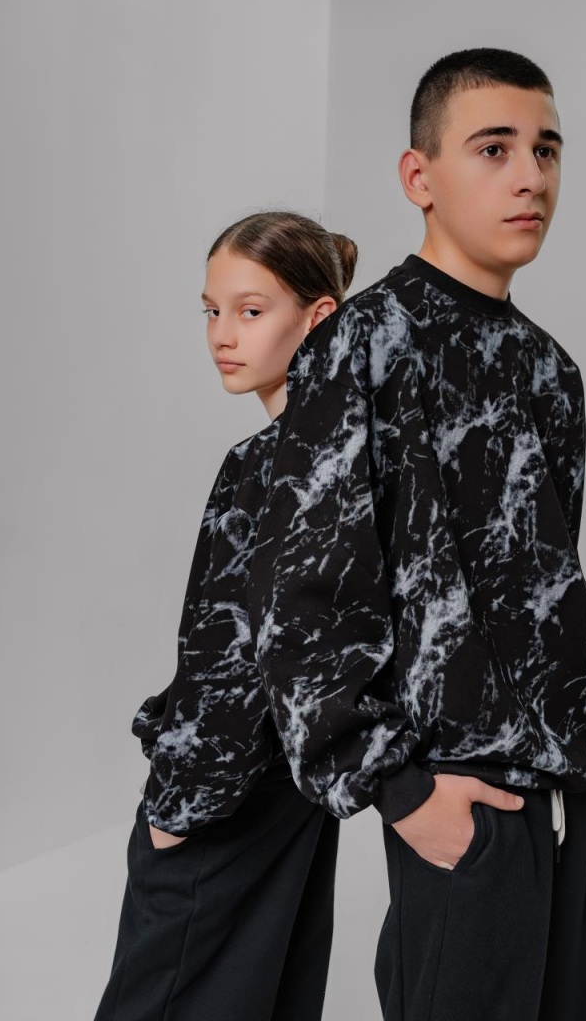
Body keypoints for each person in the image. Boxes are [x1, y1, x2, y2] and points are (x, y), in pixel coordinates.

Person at [247, 49, 586, 1021]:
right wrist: (397, 788)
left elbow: (537, 579)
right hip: (460, 793)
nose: (530, 177)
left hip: (577, 774)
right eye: (494, 148)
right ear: (419, 176)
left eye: (546, 150)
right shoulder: (361, 343)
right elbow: (297, 592)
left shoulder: (550, 370)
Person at [94, 211, 358, 1021]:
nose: (222, 334)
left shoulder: (275, 464)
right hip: (295, 787)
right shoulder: (348, 450)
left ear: (317, 317)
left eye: (251, 310)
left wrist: (179, 807)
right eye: (212, 310)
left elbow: (242, 653)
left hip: (230, 793)